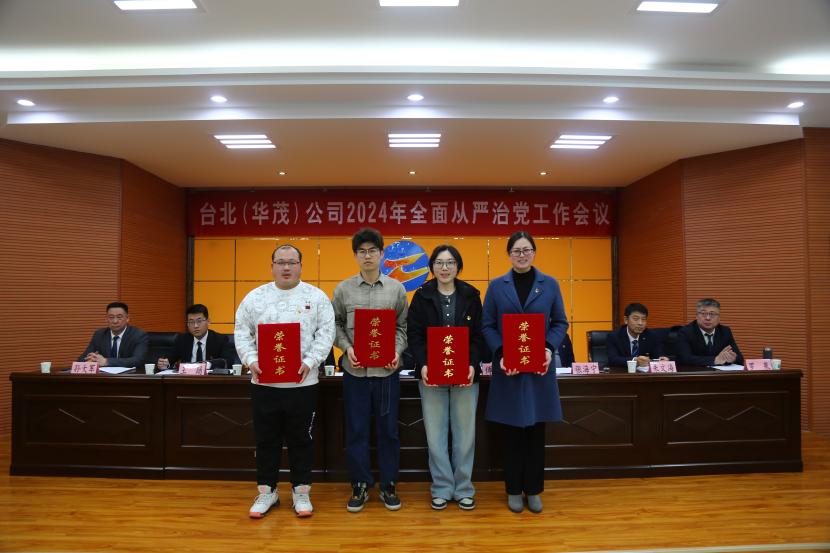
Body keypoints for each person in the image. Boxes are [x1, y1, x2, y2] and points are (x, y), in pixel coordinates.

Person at [234, 244, 335, 519]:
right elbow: (241, 332)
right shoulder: (255, 298)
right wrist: (251, 360)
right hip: (264, 384)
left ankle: (301, 491)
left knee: (301, 439)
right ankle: (267, 491)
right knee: (266, 440)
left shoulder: (316, 297)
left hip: (303, 383)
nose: (286, 267)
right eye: (280, 262)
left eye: (292, 262)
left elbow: (326, 333)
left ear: (301, 266)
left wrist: (311, 361)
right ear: (272, 266)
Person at [482, 231, 568, 514]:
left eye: (527, 250)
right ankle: (512, 490)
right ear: (509, 254)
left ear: (534, 252)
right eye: (517, 250)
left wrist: (548, 347)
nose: (522, 255)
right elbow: (487, 325)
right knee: (511, 433)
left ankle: (533, 490)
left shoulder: (550, 284)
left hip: (538, 370)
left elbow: (560, 322)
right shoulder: (497, 286)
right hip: (508, 369)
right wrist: (501, 352)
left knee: (535, 432)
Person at [332, 227, 408, 512]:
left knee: (388, 431)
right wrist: (347, 348)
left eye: (372, 251)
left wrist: (396, 351)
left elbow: (403, 327)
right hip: (356, 374)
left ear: (382, 254)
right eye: (362, 251)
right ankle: (360, 485)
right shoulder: (343, 289)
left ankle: (388, 484)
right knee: (357, 431)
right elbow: (334, 324)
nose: (367, 256)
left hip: (387, 374)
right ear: (355, 256)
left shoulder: (396, 289)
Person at [406, 245, 486, 511]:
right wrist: (423, 363)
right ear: (432, 267)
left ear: (458, 267)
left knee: (465, 435)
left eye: (450, 262)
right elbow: (414, 335)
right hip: (431, 376)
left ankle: (463, 488)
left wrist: (472, 364)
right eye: (439, 263)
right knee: (435, 436)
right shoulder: (421, 297)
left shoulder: (471, 295)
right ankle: (441, 488)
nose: (444, 267)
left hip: (465, 377)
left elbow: (478, 336)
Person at [156, 304, 235, 371]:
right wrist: (165, 364)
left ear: (208, 321)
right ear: (187, 324)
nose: (195, 326)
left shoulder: (220, 339)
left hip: (211, 381)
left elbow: (229, 362)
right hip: (187, 380)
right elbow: (169, 360)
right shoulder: (182, 339)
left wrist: (208, 364)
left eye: (199, 321)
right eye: (191, 322)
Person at [676, 298, 744, 367]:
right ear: (696, 316)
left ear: (719, 318)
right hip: (696, 372)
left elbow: (740, 359)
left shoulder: (725, 331)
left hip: (719, 373)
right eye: (703, 313)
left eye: (712, 314)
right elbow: (684, 359)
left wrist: (733, 358)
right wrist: (715, 360)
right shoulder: (685, 332)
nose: (708, 318)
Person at [79, 302, 148, 368]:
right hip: (104, 375)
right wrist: (90, 359)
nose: (115, 321)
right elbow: (83, 358)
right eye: (111, 317)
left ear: (127, 318)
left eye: (119, 317)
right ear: (106, 319)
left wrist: (106, 361)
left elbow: (138, 360)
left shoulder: (138, 335)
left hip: (129, 375)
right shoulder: (100, 334)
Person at [606, 303, 668, 368]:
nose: (640, 323)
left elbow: (658, 356)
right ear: (626, 320)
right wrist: (635, 360)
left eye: (643, 319)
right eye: (636, 319)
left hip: (644, 373)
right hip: (622, 372)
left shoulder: (652, 336)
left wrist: (662, 359)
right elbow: (613, 359)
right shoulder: (614, 336)